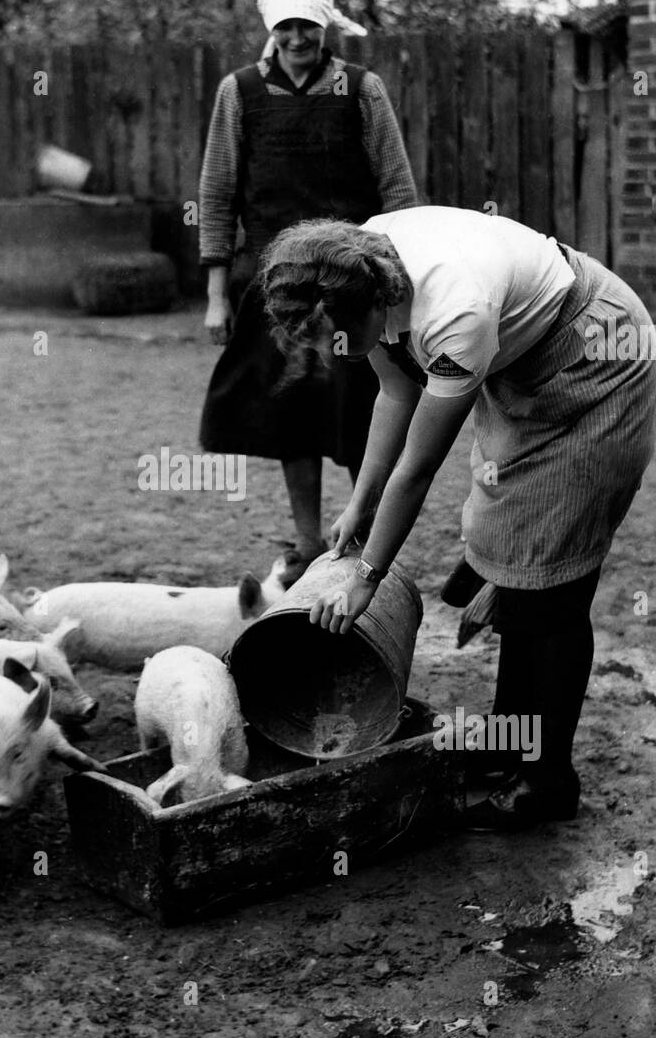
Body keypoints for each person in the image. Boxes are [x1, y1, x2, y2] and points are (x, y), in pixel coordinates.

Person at [259, 207, 656, 830]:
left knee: (551, 574)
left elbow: (418, 470)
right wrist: (358, 504)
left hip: (597, 357)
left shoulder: (452, 313)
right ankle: (508, 738)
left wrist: (367, 574)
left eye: (332, 335)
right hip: (526, 361)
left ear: (369, 306)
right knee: (512, 547)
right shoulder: (360, 263)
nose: (331, 351)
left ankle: (547, 781)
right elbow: (395, 394)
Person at [198, 0, 417, 586]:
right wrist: (217, 295)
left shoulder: (361, 89)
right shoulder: (238, 92)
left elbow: (397, 187)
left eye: (308, 26)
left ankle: (367, 535)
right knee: (292, 409)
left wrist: (397, 277)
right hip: (276, 287)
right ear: (272, 30)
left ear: (324, 28)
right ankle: (305, 539)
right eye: (287, 27)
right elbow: (216, 193)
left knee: (359, 407)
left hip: (351, 283)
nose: (298, 38)